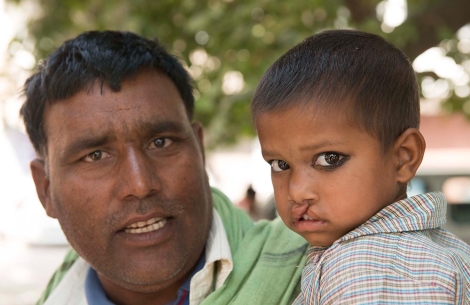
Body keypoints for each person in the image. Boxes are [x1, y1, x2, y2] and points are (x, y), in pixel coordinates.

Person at [20, 30, 307, 305]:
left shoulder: (321, 273)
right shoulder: (58, 294)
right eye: (96, 156)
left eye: (161, 142)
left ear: (199, 149)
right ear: (45, 190)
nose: (140, 184)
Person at [251, 29, 470, 304]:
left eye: (329, 159)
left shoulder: (370, 266)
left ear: (404, 157)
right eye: (279, 164)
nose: (296, 191)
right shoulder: (426, 252)